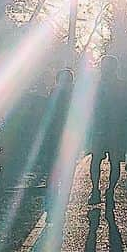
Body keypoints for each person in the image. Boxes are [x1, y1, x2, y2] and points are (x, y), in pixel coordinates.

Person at [89, 55, 127, 208]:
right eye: (104, 66)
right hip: (101, 129)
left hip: (115, 130)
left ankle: (110, 191)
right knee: (96, 161)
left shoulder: (122, 86)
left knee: (114, 162)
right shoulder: (97, 85)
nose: (106, 69)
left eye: (109, 66)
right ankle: (95, 190)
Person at [44, 68, 75, 205]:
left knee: (54, 165)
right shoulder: (73, 96)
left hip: (57, 135)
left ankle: (54, 194)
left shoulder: (54, 94)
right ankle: (61, 194)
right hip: (64, 136)